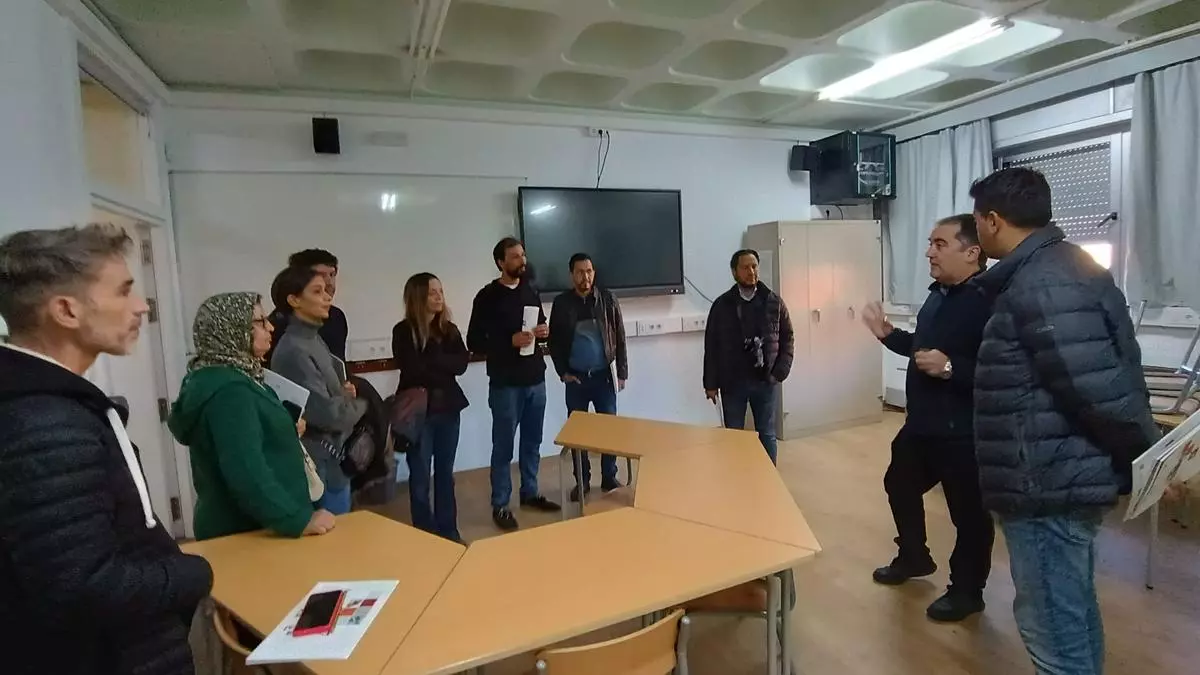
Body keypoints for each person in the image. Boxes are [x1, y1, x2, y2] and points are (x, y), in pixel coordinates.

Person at [0, 224, 213, 675]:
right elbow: (81, 586)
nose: (141, 306)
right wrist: (192, 573)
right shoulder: (46, 422)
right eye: (123, 291)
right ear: (66, 310)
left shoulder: (56, 403)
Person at [970, 167, 1158, 675]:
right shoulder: (1061, 267)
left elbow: (1099, 390)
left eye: (977, 220)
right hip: (1058, 473)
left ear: (992, 220)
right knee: (1069, 614)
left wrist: (1148, 461)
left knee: (1053, 629)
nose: (976, 229)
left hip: (1047, 482)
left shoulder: (1044, 281)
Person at [861, 214, 995, 622]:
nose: (928, 253)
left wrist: (953, 368)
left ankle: (967, 591)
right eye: (930, 243)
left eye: (940, 244)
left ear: (972, 252)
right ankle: (914, 556)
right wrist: (888, 334)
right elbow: (924, 350)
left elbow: (1005, 370)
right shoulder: (938, 295)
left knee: (968, 516)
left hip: (964, 432)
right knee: (898, 484)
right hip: (922, 425)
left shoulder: (991, 302)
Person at [169, 291, 336, 540]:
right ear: (231, 330)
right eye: (259, 321)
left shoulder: (235, 376)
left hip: (257, 524)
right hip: (248, 531)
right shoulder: (230, 391)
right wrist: (295, 520)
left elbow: (246, 438)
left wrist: (284, 429)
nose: (270, 327)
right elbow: (245, 469)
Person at [467, 236, 562, 531]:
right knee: (504, 446)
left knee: (532, 442)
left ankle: (530, 493)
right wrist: (508, 341)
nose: (522, 261)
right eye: (515, 256)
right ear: (500, 262)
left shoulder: (530, 291)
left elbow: (539, 325)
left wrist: (543, 331)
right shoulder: (486, 297)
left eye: (523, 254)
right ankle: (501, 503)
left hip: (535, 378)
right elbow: (474, 341)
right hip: (505, 384)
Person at [270, 265, 367, 516]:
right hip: (319, 457)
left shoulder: (313, 339)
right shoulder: (294, 349)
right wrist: (359, 405)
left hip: (332, 455)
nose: (327, 297)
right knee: (333, 533)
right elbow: (326, 414)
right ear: (294, 300)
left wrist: (342, 392)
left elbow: (328, 392)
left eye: (326, 290)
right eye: (317, 291)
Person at [393, 273, 469, 542]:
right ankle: (424, 533)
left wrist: (435, 359)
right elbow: (413, 369)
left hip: (448, 409)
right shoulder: (404, 331)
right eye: (432, 292)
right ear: (418, 297)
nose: (439, 297)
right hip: (419, 413)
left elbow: (461, 364)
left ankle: (449, 530)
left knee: (445, 474)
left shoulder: (449, 329)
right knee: (421, 475)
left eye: (440, 291)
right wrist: (442, 362)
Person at [549, 252, 629, 501]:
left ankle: (609, 476)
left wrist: (622, 373)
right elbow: (554, 342)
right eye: (580, 272)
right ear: (572, 275)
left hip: (605, 377)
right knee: (578, 435)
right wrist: (563, 373)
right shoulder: (562, 303)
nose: (586, 277)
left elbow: (619, 336)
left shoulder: (607, 299)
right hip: (577, 380)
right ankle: (582, 481)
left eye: (589, 271)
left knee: (609, 431)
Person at [703, 249, 795, 463]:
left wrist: (780, 371)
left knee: (767, 434)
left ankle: (768, 477)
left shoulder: (773, 301)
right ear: (734, 272)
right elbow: (712, 346)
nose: (751, 272)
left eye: (754, 266)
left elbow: (788, 337)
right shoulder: (722, 305)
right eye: (745, 267)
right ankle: (738, 476)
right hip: (732, 382)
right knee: (733, 435)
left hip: (765, 380)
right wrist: (710, 383)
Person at [267, 249, 349, 362]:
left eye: (332, 275)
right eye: (321, 275)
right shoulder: (275, 327)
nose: (329, 282)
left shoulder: (336, 316)